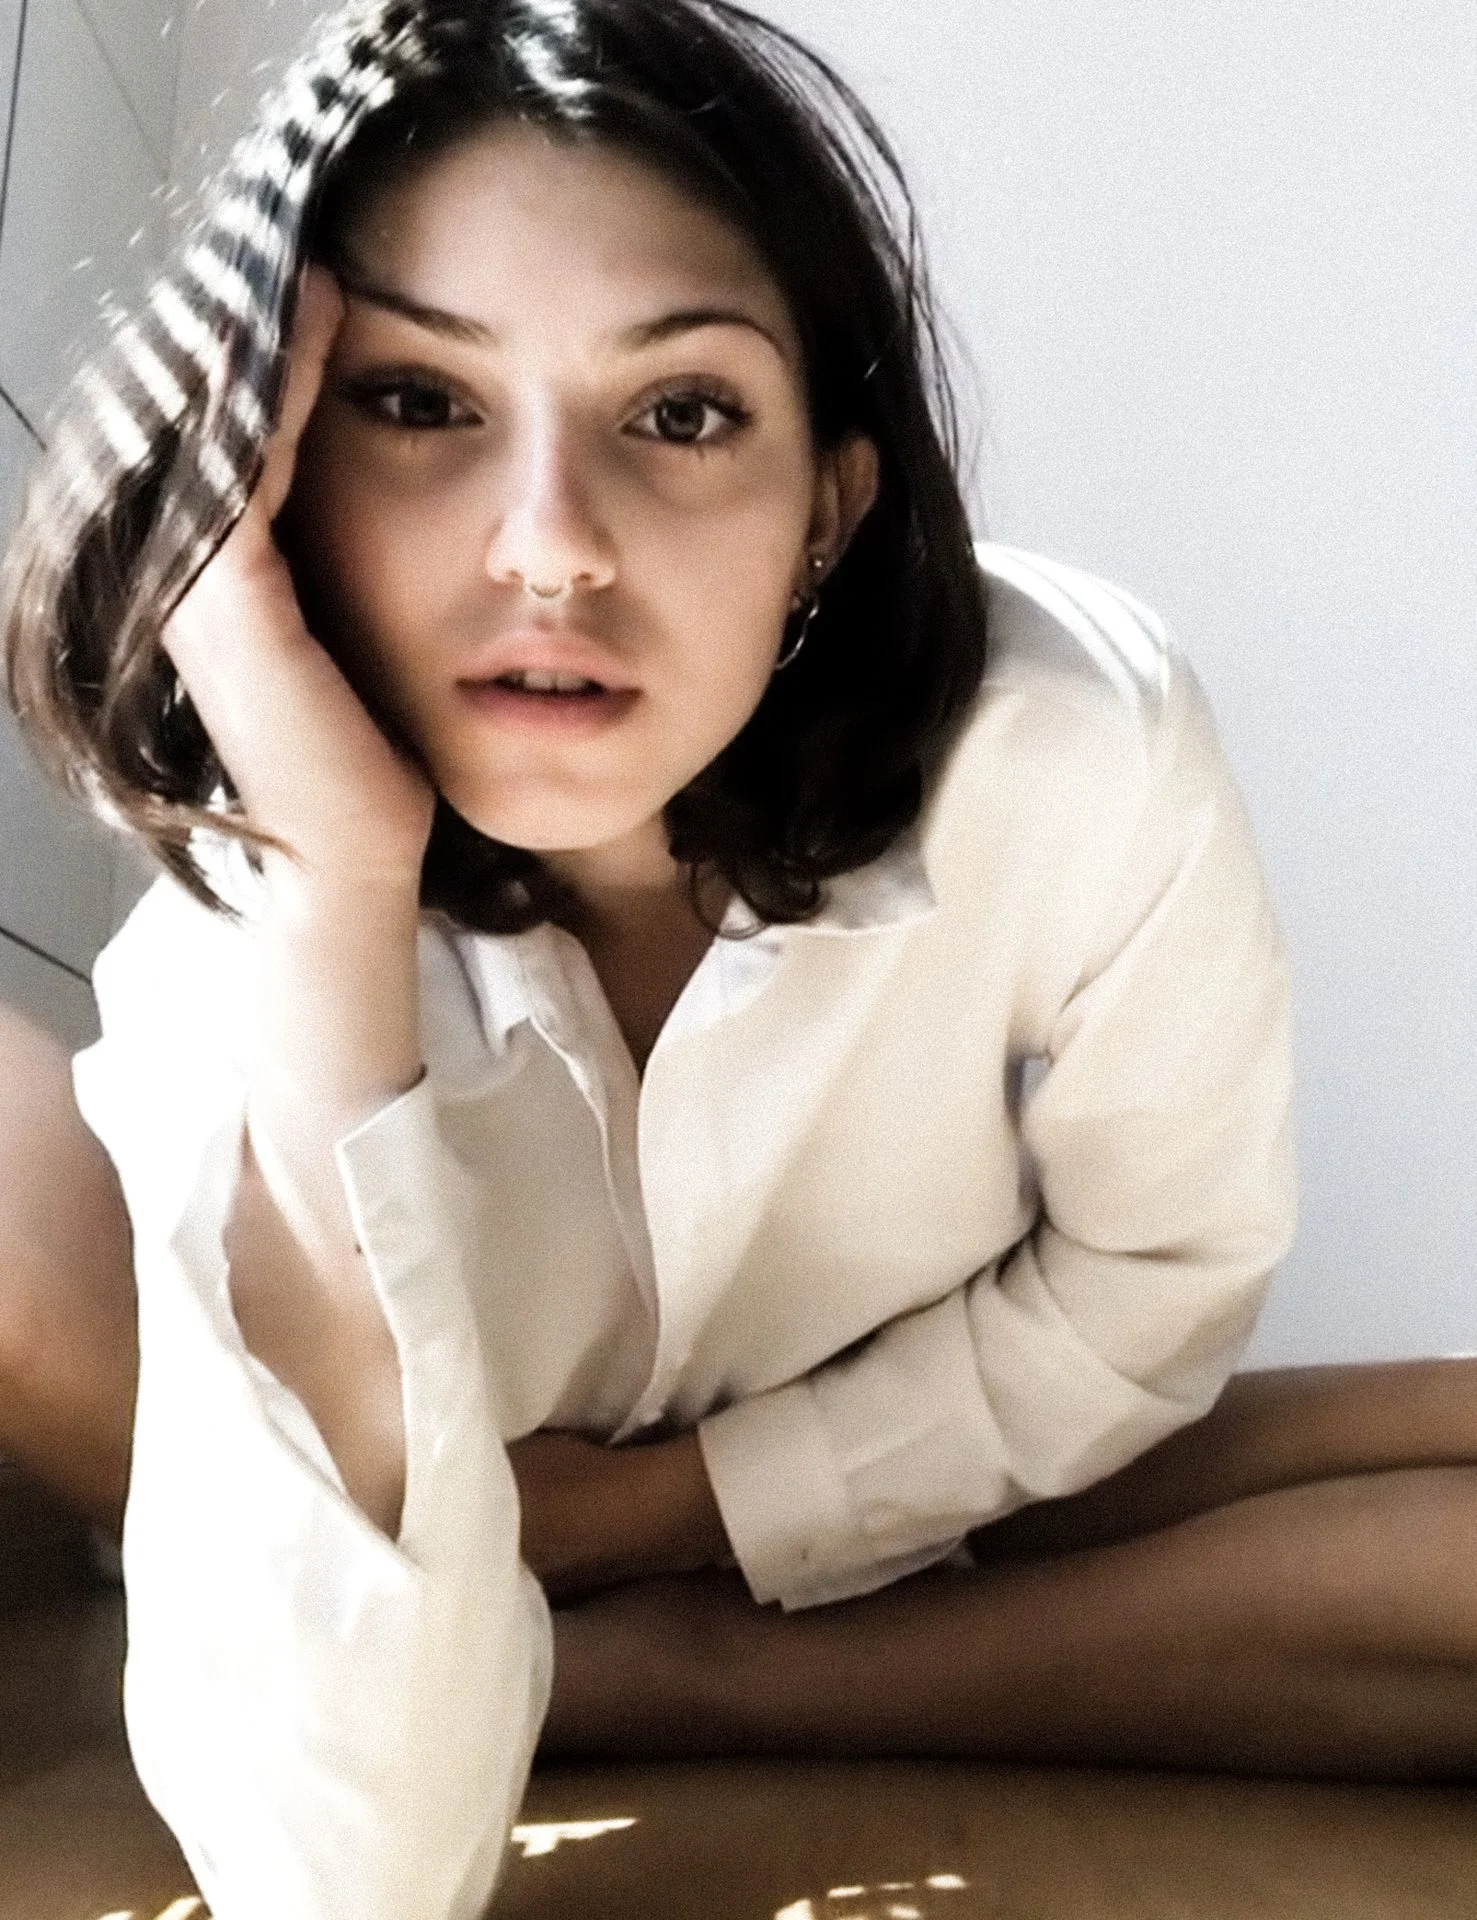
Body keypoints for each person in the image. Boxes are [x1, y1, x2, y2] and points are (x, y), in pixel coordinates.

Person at [1, 0, 1473, 1913]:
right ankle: (591, 1648)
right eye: (421, 404)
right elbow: (344, 1879)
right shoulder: (246, 939)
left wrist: (656, 1525)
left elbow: (1161, 1283)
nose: (551, 547)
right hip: (467, 1471)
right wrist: (345, 901)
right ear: (264, 489)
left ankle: (662, 1671)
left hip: (850, 1434)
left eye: (681, 413)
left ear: (823, 514)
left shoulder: (1071, 744)